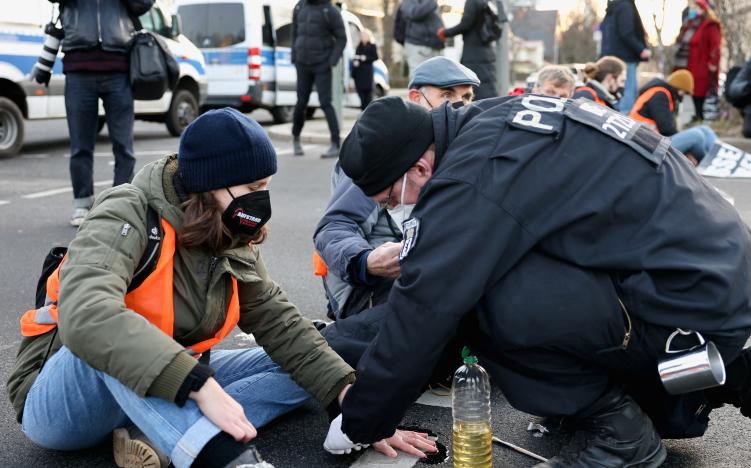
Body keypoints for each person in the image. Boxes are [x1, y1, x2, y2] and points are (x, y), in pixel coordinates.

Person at [322, 95, 751, 467]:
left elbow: (424, 307)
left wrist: (363, 419)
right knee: (524, 299)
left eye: (390, 198)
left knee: (487, 303)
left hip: (681, 302)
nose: (395, 209)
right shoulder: (494, 121)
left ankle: (622, 440)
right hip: (700, 286)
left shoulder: (473, 177)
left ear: (420, 166)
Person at [7, 109, 434, 468]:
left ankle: (160, 431)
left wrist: (355, 408)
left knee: (312, 363)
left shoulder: (226, 226)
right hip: (61, 402)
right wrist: (199, 385)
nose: (261, 202)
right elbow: (86, 316)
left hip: (164, 373)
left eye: (265, 188)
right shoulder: (127, 210)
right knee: (113, 333)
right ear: (210, 184)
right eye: (253, 189)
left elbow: (280, 324)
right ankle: (224, 455)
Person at [314, 57, 478, 368]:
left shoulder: (453, 154)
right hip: (373, 289)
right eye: (447, 95)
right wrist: (365, 261)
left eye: (466, 98)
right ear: (416, 97)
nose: (457, 106)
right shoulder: (381, 154)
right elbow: (333, 227)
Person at [48, 0, 155, 227]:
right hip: (78, 70)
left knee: (124, 147)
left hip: (120, 70)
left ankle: (119, 205)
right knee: (80, 146)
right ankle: (82, 204)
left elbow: (144, 4)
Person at [291, 0, 347, 158]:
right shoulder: (299, 6)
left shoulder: (330, 11)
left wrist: (332, 62)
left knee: (325, 103)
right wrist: (294, 57)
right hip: (302, 63)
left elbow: (342, 38)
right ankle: (296, 138)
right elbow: (294, 32)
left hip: (322, 64)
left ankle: (335, 143)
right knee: (301, 102)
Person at [630, 69, 716, 165]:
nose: (682, 96)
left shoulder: (661, 93)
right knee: (697, 136)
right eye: (684, 92)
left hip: (654, 142)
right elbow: (666, 129)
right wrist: (687, 147)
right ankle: (709, 164)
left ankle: (717, 157)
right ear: (679, 88)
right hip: (649, 147)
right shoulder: (660, 95)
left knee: (705, 130)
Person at [438, 0, 499, 99]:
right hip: (486, 50)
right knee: (487, 87)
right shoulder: (488, 1)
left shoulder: (472, 1)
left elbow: (466, 24)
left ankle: (481, 113)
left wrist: (445, 33)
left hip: (474, 53)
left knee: (476, 87)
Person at [673, 0, 722, 122]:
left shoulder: (710, 25)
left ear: (702, 8)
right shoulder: (689, 25)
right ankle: (697, 116)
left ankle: (702, 116)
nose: (692, 9)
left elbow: (716, 45)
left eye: (695, 7)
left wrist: (713, 63)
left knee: (701, 91)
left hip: (702, 66)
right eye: (691, 7)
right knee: (691, 91)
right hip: (690, 65)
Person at [600, 0, 651, 113]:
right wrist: (641, 49)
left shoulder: (612, 8)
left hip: (611, 56)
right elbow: (626, 32)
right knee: (629, 91)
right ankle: (624, 120)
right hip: (626, 57)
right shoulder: (625, 6)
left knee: (616, 91)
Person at [399, 0, 444, 75]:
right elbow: (415, 13)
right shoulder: (409, 2)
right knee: (419, 77)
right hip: (419, 46)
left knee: (436, 78)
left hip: (434, 46)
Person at [352, 30, 378, 110]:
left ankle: (368, 110)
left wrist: (366, 58)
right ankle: (363, 110)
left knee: (368, 94)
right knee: (361, 94)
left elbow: (375, 57)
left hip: (367, 73)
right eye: (362, 36)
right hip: (359, 74)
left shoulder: (372, 46)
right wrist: (356, 62)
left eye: (364, 36)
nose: (363, 37)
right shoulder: (359, 46)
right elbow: (356, 57)